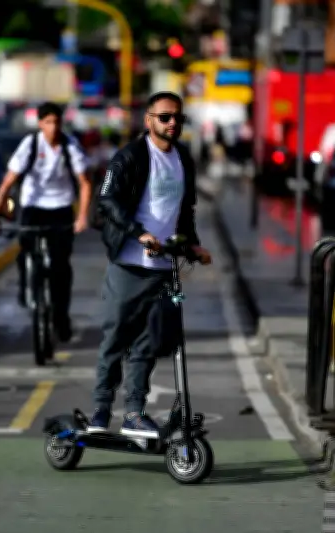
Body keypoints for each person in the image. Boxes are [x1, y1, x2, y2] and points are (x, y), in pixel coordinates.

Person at [87, 91, 212, 437]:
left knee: (146, 343)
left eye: (178, 118)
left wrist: (194, 246)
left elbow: (184, 210)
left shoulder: (183, 159)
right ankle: (100, 411)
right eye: (165, 117)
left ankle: (134, 413)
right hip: (130, 263)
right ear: (149, 120)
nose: (172, 124)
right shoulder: (130, 157)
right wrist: (137, 233)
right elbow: (107, 199)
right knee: (116, 338)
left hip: (163, 267)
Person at [0, 102, 91, 342]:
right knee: (25, 249)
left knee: (61, 266)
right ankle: (26, 288)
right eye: (48, 123)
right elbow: (7, 183)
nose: (53, 128)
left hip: (61, 207)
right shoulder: (30, 145)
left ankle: (61, 316)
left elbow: (84, 183)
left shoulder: (70, 146)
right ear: (40, 124)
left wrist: (81, 216)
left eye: (57, 122)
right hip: (33, 206)